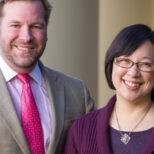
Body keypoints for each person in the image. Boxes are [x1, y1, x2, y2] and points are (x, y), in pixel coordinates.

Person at [0, 0, 95, 154]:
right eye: (15, 25)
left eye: (36, 26)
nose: (26, 37)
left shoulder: (77, 93)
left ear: (46, 31)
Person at [64, 24, 154, 154]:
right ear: (111, 65)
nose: (133, 73)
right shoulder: (82, 130)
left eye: (146, 64)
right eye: (124, 61)